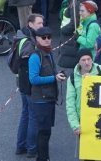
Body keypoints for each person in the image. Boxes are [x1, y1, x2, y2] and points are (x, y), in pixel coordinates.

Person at [28, 26, 66, 161]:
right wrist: (53, 78)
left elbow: (49, 72)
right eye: (43, 38)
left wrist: (57, 74)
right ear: (37, 39)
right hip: (41, 100)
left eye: (49, 37)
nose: (47, 40)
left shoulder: (48, 53)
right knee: (43, 132)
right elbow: (33, 79)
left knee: (46, 131)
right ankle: (42, 158)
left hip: (48, 98)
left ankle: (44, 157)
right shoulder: (35, 56)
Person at [15, 14, 45, 157]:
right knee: (32, 115)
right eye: (39, 23)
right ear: (30, 24)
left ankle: (20, 146)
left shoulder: (21, 37)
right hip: (29, 83)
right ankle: (32, 148)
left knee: (25, 114)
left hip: (21, 81)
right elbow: (28, 63)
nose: (41, 25)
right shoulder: (29, 42)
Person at [66, 49, 101, 139]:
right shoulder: (72, 78)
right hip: (83, 121)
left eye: (89, 59)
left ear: (92, 59)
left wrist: (92, 81)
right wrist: (75, 125)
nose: (87, 62)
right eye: (83, 60)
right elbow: (70, 103)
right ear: (79, 62)